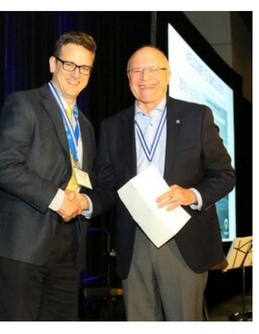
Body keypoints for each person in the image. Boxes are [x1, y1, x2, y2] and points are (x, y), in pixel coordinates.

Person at [90, 46, 235, 320]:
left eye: (153, 69)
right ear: (128, 78)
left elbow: (225, 175)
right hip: (134, 243)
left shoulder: (197, 116)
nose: (145, 77)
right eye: (137, 70)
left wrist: (191, 195)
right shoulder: (112, 126)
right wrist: (85, 202)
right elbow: (106, 185)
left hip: (182, 239)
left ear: (168, 75)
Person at [0, 31, 97, 320]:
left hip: (69, 245)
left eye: (84, 68)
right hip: (25, 243)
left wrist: (82, 202)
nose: (76, 74)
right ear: (52, 63)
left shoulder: (86, 126)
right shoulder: (25, 104)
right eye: (69, 64)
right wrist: (57, 198)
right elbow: (2, 165)